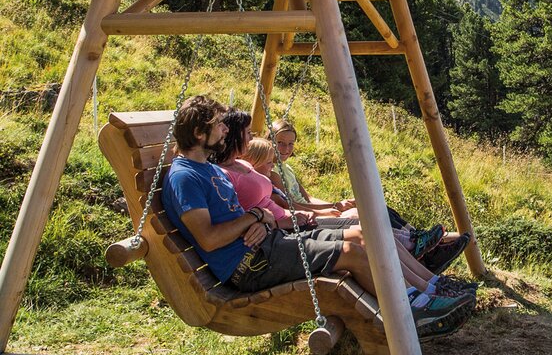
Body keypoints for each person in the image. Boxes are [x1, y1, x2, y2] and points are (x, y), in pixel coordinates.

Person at [161, 96, 474, 337]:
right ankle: (414, 310)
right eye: (219, 124)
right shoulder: (185, 177)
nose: (225, 129)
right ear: (199, 133)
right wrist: (255, 216)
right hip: (248, 265)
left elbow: (245, 212)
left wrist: (261, 220)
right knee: (352, 251)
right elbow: (209, 238)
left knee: (363, 235)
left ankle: (428, 291)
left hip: (267, 243)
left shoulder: (208, 168)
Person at [271, 117, 472, 272]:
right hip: (305, 218)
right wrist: (329, 211)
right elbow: (291, 204)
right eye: (280, 143)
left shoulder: (287, 169)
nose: (286, 149)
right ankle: (418, 251)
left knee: (377, 208)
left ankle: (418, 238)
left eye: (290, 144)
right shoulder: (272, 172)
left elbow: (307, 198)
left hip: (312, 211)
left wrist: (336, 205)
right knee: (364, 217)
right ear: (269, 140)